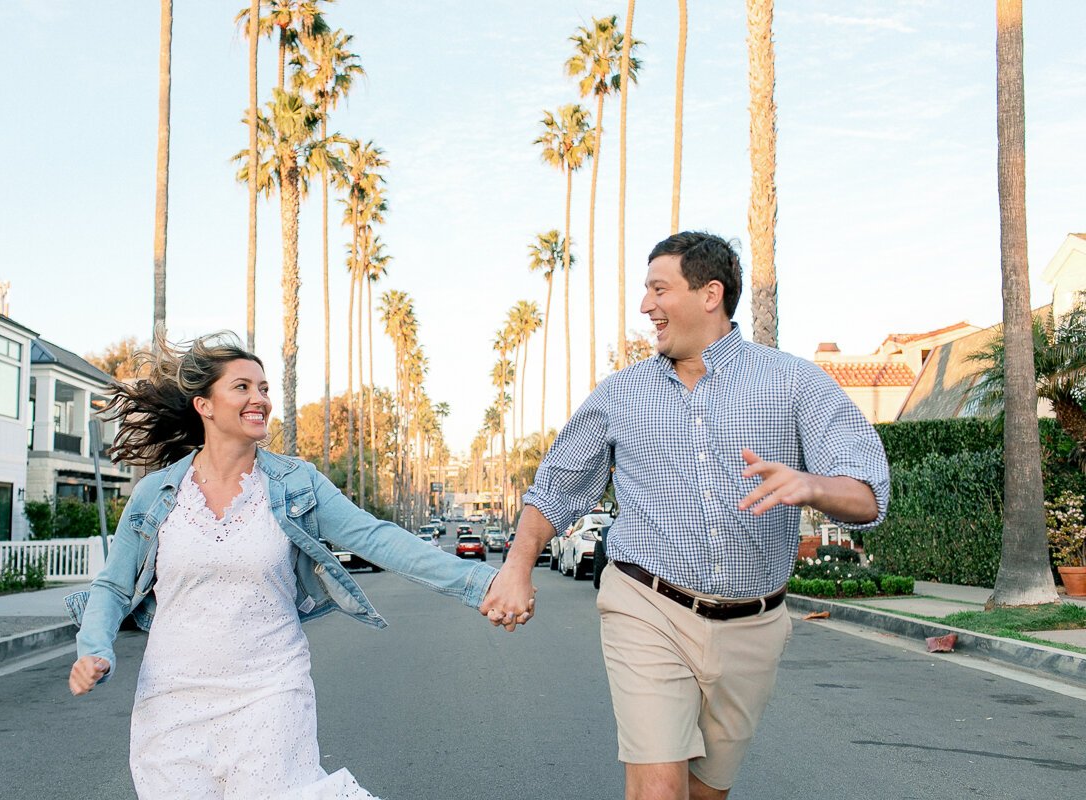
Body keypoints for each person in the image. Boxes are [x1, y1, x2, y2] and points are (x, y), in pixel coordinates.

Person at [482, 231, 889, 800]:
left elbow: (869, 494)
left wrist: (813, 486)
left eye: (658, 289)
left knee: (705, 794)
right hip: (647, 603)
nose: (646, 306)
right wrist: (517, 567)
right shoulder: (620, 395)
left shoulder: (796, 384)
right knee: (659, 791)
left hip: (753, 625)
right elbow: (556, 487)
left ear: (709, 294)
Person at [66, 332, 523, 799]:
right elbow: (113, 587)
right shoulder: (157, 494)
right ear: (204, 405)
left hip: (270, 690)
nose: (260, 399)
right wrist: (94, 648)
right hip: (171, 700)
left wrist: (484, 582)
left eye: (263, 388)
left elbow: (375, 538)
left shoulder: (294, 484)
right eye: (242, 387)